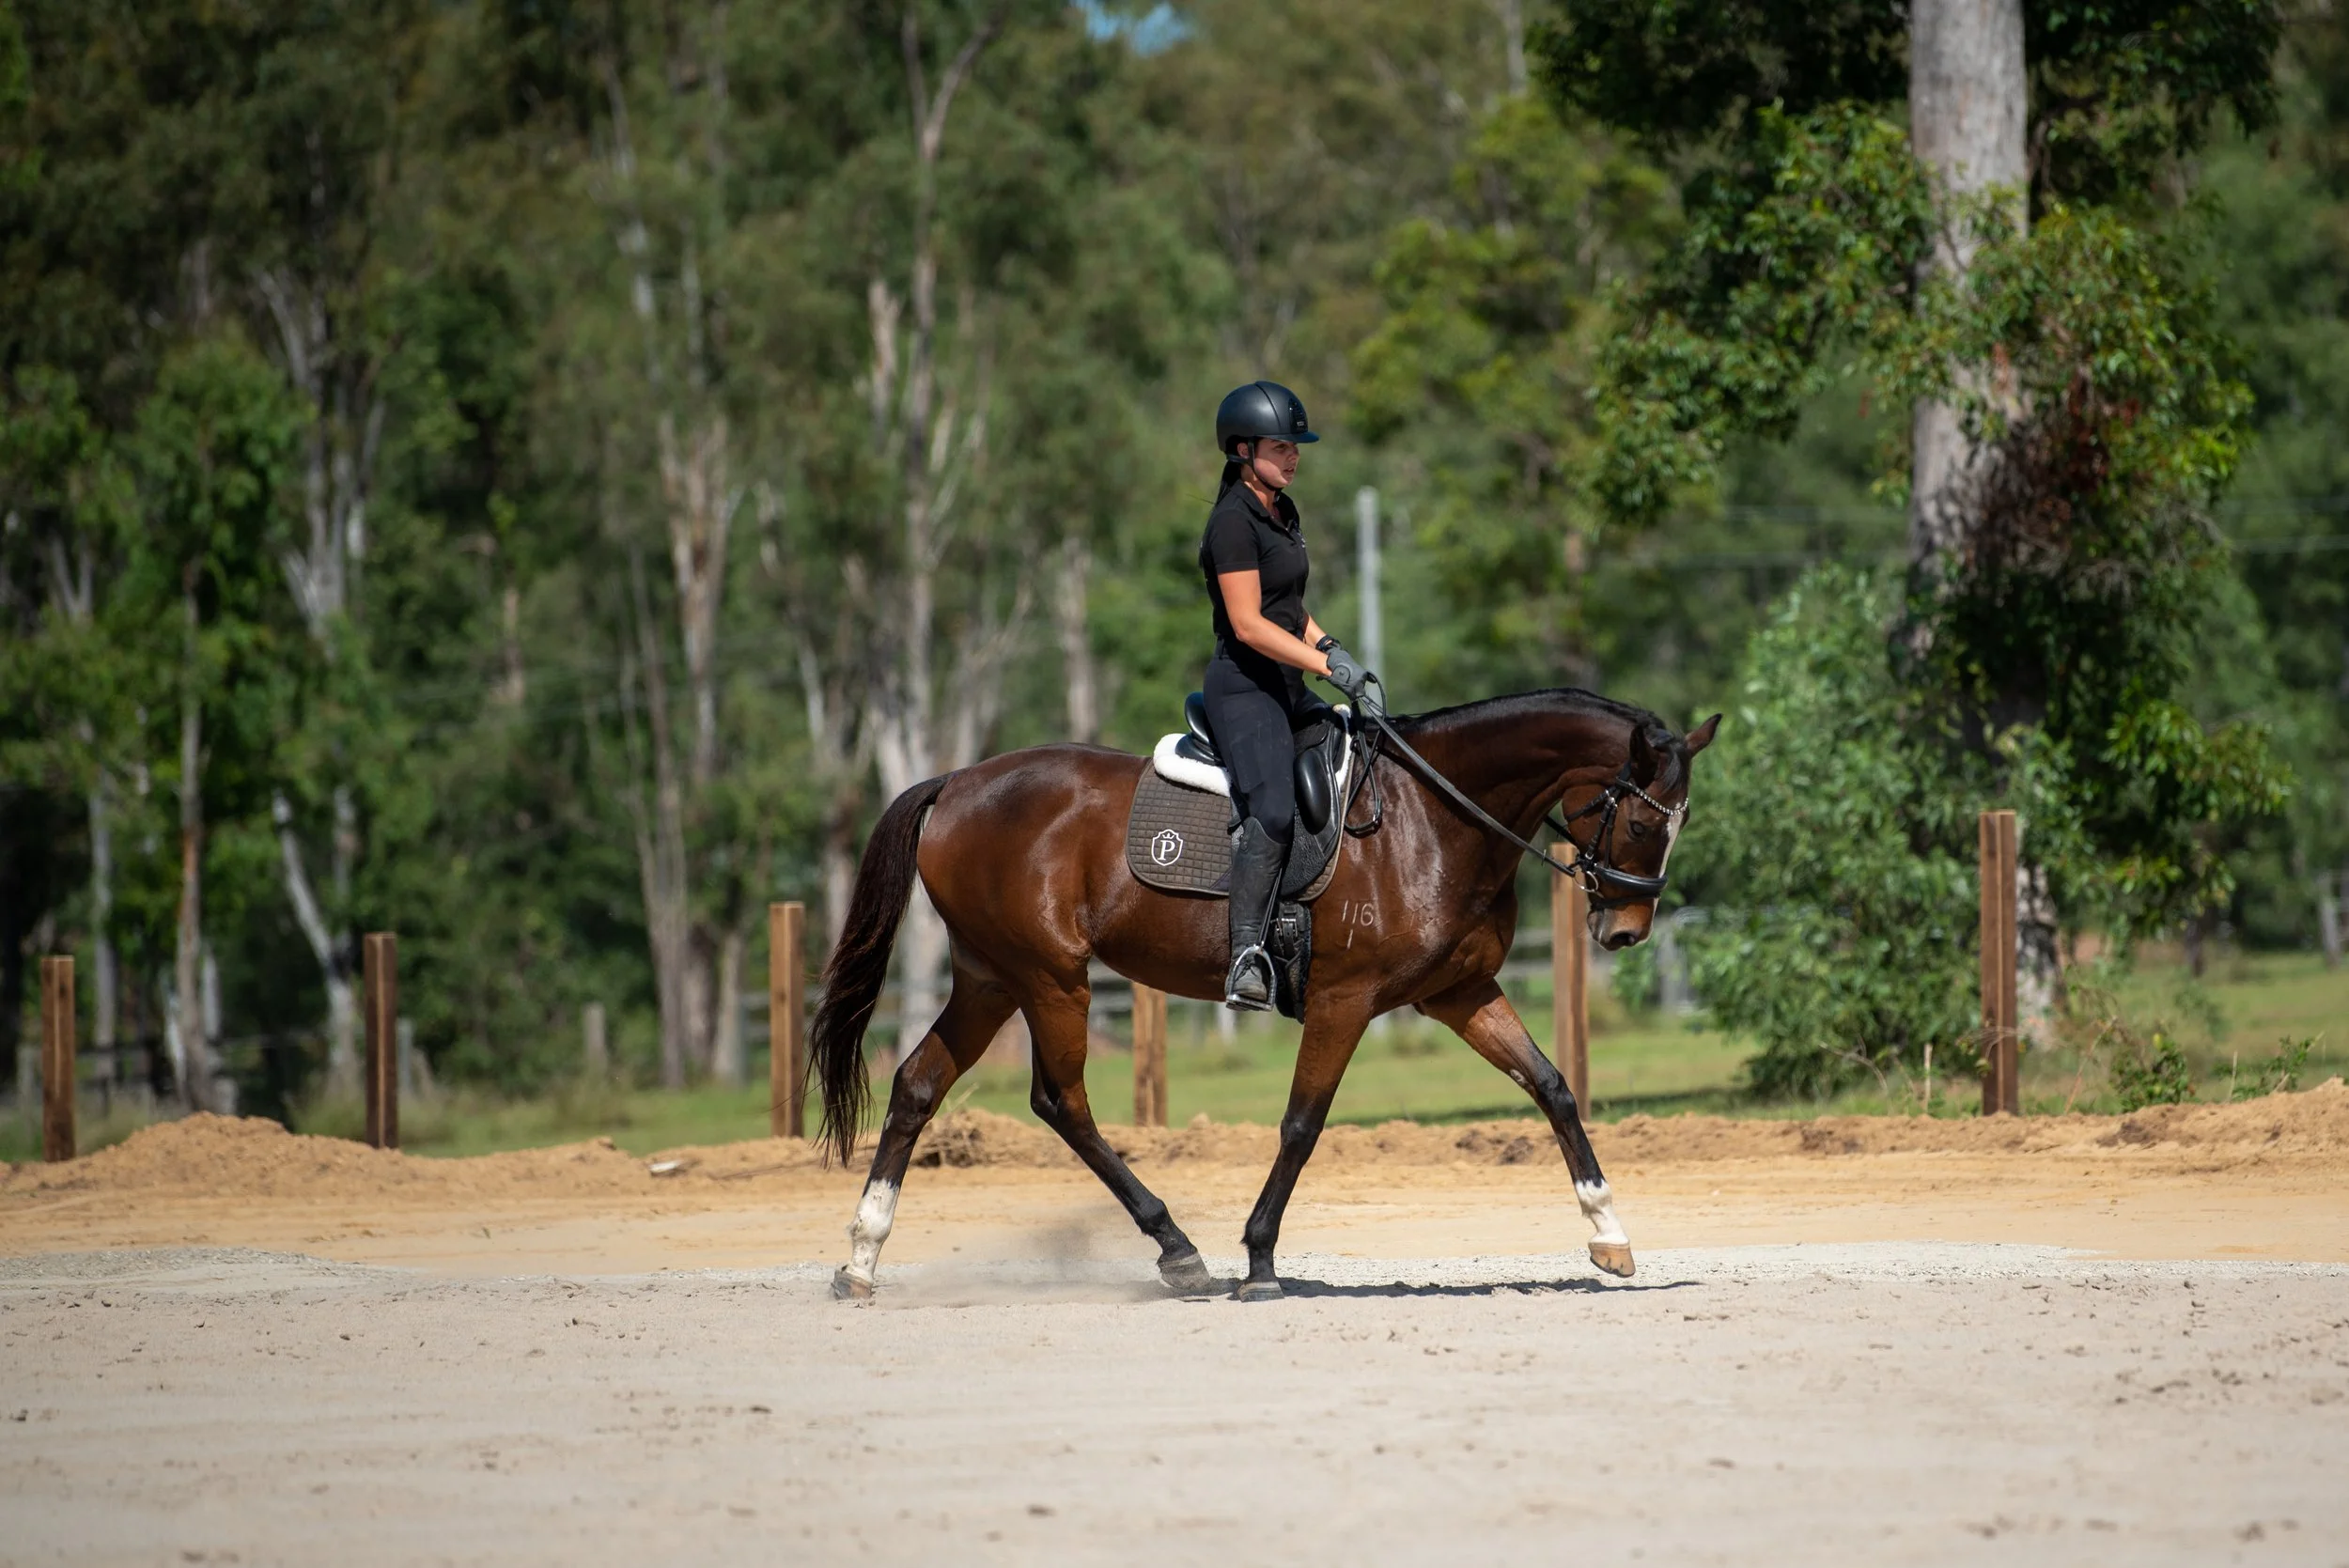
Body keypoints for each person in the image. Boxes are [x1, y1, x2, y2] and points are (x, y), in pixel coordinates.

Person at [1198, 380, 1375, 1011]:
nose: (1294, 455)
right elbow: (1249, 624)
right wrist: (1327, 670)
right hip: (1244, 687)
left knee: (1362, 759)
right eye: (1282, 445)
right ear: (1243, 450)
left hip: (1287, 679)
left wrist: (1335, 650)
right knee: (1272, 809)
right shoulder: (1231, 523)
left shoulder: (1282, 511)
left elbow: (1290, 610)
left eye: (1296, 445)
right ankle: (1246, 953)